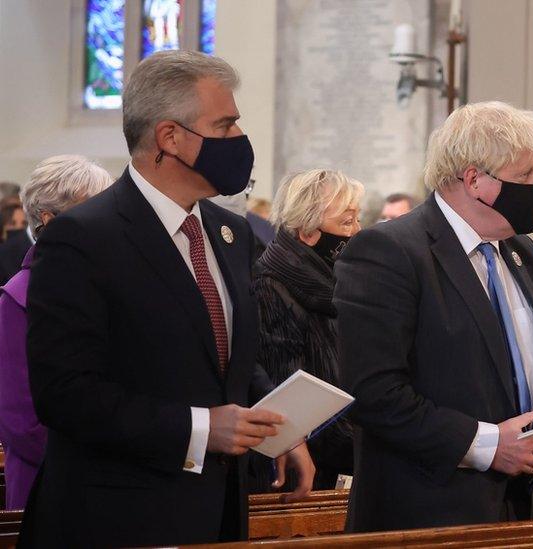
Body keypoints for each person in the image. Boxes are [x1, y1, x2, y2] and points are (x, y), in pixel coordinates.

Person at [21, 50, 314, 547]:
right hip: (117, 518)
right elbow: (65, 393)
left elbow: (228, 358)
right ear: (169, 137)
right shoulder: (83, 238)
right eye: (225, 127)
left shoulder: (230, 233)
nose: (240, 141)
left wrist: (278, 428)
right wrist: (199, 429)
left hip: (216, 514)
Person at [334, 101, 533, 532]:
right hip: (427, 512)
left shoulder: (522, 250)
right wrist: (488, 445)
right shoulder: (389, 251)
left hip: (521, 505)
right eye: (525, 175)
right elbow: (373, 392)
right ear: (474, 180)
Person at [0, 155, 112, 510]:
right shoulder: (16, 300)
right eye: (92, 211)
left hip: (119, 485)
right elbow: (20, 423)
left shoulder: (112, 287)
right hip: (49, 486)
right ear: (49, 220)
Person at [254, 168, 363, 490]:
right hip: (306, 471)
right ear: (308, 232)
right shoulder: (270, 288)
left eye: (358, 220)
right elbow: (289, 402)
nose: (358, 232)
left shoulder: (339, 284)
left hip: (347, 455)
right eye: (346, 223)